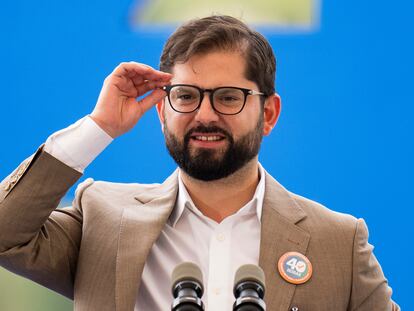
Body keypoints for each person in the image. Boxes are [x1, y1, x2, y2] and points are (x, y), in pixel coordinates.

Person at [0, 15, 399, 311]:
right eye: (187, 96)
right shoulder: (102, 217)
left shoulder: (339, 243)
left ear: (269, 114)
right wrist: (100, 126)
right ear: (161, 111)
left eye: (228, 97)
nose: (204, 115)